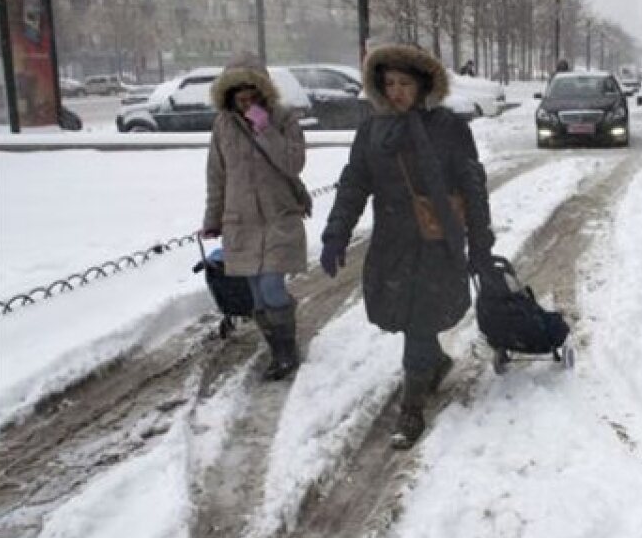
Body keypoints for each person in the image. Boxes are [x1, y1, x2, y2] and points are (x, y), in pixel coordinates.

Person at [320, 44, 498, 450]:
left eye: (404, 83)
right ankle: (433, 362)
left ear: (423, 86)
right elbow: (354, 185)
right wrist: (336, 234)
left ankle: (412, 407)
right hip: (392, 243)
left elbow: (472, 185)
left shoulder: (449, 128)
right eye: (389, 84)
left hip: (436, 241)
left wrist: (481, 242)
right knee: (404, 315)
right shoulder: (371, 131)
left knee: (419, 320)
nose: (396, 91)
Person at [201, 52, 308, 381]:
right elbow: (216, 175)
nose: (245, 102)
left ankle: (287, 350)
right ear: (228, 95)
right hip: (240, 222)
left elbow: (294, 163)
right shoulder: (222, 125)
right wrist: (212, 218)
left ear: (263, 91)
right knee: (258, 296)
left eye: (251, 94)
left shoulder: (283, 118)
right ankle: (277, 349)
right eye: (239, 96)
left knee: (273, 287)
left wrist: (265, 129)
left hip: (279, 216)